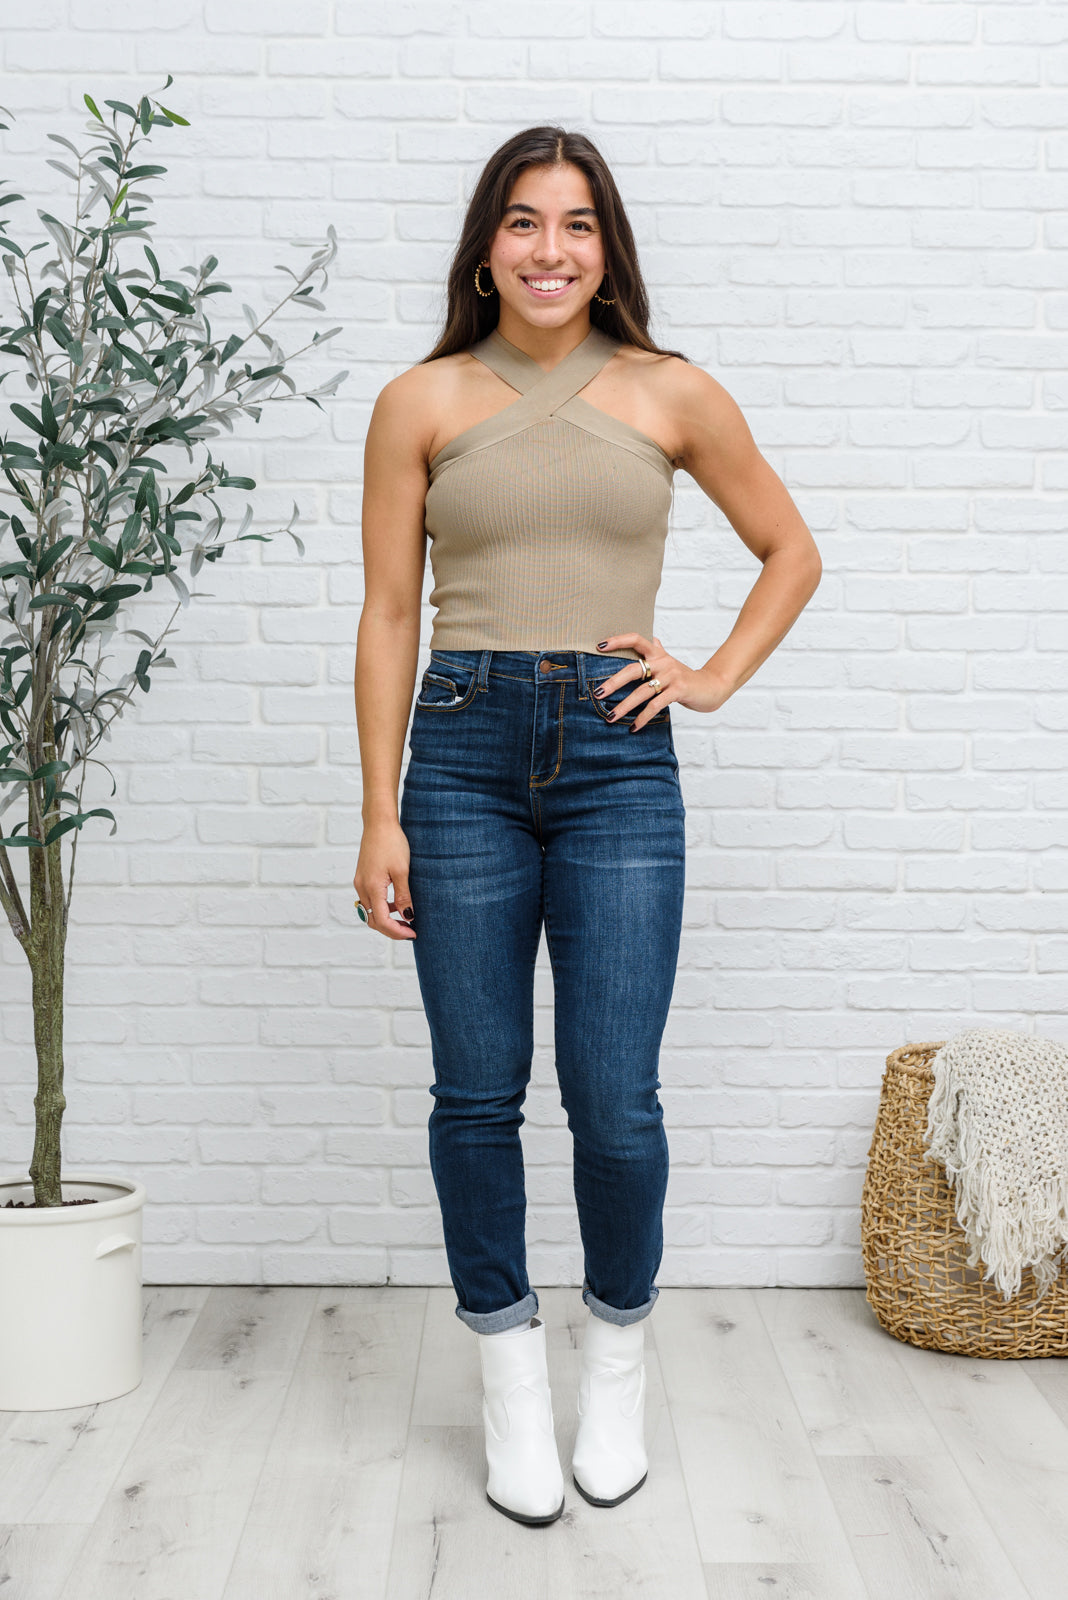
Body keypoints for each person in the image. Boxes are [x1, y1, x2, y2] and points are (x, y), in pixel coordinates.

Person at [353, 126, 822, 1527]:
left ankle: (614, 1364)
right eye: (522, 221)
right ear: (485, 248)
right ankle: (509, 1379)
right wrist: (378, 812)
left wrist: (710, 676)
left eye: (575, 224)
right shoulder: (420, 399)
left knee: (616, 1100)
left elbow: (790, 550)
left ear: (606, 249)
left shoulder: (673, 391)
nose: (548, 250)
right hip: (458, 756)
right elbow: (388, 612)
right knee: (476, 1093)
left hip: (620, 761)